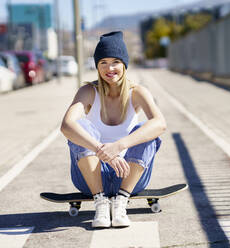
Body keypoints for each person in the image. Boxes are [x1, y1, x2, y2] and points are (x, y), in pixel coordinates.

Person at [60, 31, 166, 228]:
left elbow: (160, 123)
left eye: (116, 61)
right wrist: (103, 150)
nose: (110, 68)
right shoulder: (88, 92)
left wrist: (118, 147)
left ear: (124, 64)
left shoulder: (138, 92)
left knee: (147, 129)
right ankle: (100, 202)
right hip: (91, 179)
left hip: (128, 176)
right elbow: (67, 125)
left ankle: (120, 203)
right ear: (97, 66)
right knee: (79, 126)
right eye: (103, 63)